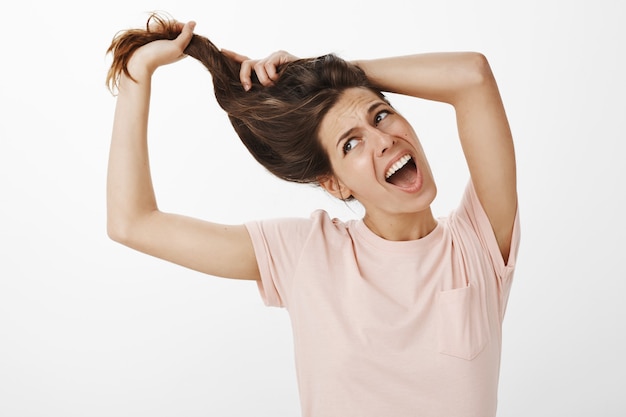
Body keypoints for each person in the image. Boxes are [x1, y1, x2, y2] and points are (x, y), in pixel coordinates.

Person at [106, 12, 520, 417]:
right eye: (350, 144)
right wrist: (134, 78)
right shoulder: (306, 253)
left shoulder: (477, 241)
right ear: (335, 184)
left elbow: (473, 76)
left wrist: (332, 73)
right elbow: (133, 223)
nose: (382, 140)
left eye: (380, 115)